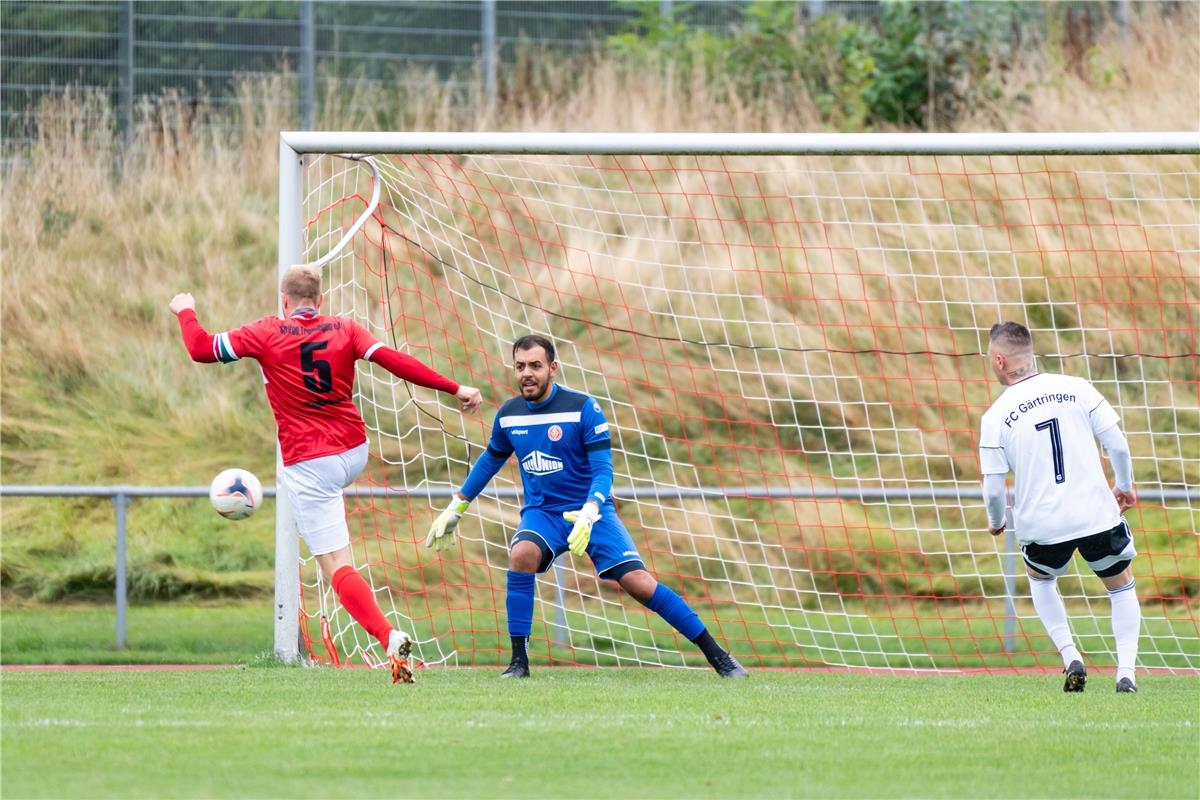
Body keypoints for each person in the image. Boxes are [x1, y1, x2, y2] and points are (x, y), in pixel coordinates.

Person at [170, 266, 482, 683]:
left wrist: (185, 311)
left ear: (284, 301)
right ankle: (386, 634)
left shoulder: (265, 331)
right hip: (353, 450)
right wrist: (454, 387)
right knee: (335, 545)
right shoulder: (346, 328)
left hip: (309, 461)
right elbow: (394, 361)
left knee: (335, 563)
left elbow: (200, 348)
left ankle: (389, 636)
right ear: (320, 301)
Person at [425, 334, 747, 679]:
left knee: (638, 583)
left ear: (553, 368)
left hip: (591, 511)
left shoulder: (583, 407)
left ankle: (719, 657)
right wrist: (457, 507)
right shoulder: (508, 415)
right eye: (520, 366)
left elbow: (603, 469)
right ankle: (518, 663)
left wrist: (592, 509)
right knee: (521, 555)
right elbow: (490, 460)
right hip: (543, 513)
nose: (527, 374)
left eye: (535, 365)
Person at [979, 322, 1140, 693]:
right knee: (1120, 585)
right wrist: (1125, 486)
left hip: (1043, 523)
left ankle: (1070, 656)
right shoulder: (1076, 387)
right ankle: (1126, 673)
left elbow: (992, 488)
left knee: (1041, 580)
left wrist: (997, 520)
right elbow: (1116, 442)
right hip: (1095, 512)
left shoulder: (995, 415)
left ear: (1000, 360)